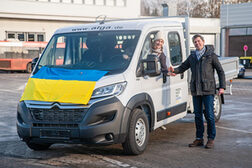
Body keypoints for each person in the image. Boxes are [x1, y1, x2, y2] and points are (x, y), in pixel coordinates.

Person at [168, 34, 226, 149]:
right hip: (196, 90)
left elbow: (220, 71)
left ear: (203, 42)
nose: (197, 43)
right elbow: (183, 67)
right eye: (195, 42)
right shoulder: (192, 57)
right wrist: (174, 71)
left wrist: (222, 87)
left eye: (199, 41)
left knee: (209, 115)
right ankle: (199, 138)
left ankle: (210, 138)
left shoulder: (211, 56)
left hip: (208, 89)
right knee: (197, 115)